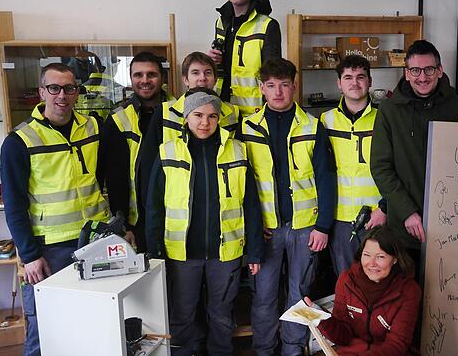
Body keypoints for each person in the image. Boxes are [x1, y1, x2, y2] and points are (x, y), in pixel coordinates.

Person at [1, 63, 111, 356]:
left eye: (69, 88)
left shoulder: (93, 127)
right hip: (49, 250)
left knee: (92, 323)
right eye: (54, 88)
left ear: (77, 92)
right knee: (44, 328)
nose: (62, 95)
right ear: (42, 92)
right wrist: (29, 255)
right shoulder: (19, 141)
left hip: (94, 242)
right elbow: (13, 205)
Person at [146, 88, 263, 356]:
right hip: (181, 254)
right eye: (198, 115)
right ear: (186, 117)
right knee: (182, 315)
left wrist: (254, 250)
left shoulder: (237, 150)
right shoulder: (168, 152)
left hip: (226, 252)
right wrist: (153, 252)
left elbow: (251, 205)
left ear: (219, 118)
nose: (204, 123)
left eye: (212, 116)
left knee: (222, 315)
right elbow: (154, 207)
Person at [240, 58, 335, 356]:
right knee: (264, 295)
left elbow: (327, 179)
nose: (278, 92)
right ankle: (265, 349)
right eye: (270, 86)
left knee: (300, 293)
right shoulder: (247, 128)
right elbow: (242, 186)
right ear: (261, 89)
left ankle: (293, 349)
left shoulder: (311, 125)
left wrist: (323, 226)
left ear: (294, 86)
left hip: (305, 228)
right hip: (266, 228)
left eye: (283, 85)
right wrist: (253, 229)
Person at [370, 40, 458, 251]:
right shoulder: (389, 110)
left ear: (440, 71)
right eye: (415, 70)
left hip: (452, 223)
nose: (422, 77)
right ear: (406, 73)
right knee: (407, 284)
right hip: (404, 226)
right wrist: (407, 212)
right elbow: (381, 167)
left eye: (429, 69)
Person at [137, 52, 238, 212]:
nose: (202, 78)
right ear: (185, 79)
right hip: (175, 199)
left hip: (219, 197)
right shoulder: (164, 112)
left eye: (208, 73)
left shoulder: (232, 113)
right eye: (195, 72)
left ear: (215, 79)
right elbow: (149, 165)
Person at [305, 226, 421, 356]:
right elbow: (343, 336)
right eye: (367, 255)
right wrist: (320, 317)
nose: (372, 263)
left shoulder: (409, 291)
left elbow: (396, 345)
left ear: (395, 259)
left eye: (380, 257)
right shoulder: (346, 280)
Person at [99, 51, 172, 253]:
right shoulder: (118, 118)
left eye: (151, 74)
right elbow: (115, 177)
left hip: (177, 216)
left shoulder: (182, 112)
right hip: (138, 219)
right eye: (138, 75)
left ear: (162, 78)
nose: (145, 81)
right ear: (130, 79)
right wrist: (123, 224)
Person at [321, 55, 387, 276]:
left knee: (379, 280)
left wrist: (384, 208)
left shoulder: (384, 119)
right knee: (346, 281)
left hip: (377, 218)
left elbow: (397, 169)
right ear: (339, 83)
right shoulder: (326, 120)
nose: (355, 83)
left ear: (370, 81)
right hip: (339, 219)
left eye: (361, 77)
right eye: (348, 77)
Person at [208, 0, 281, 113]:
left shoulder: (268, 25)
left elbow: (272, 75)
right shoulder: (221, 21)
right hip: (223, 106)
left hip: (254, 110)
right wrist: (213, 60)